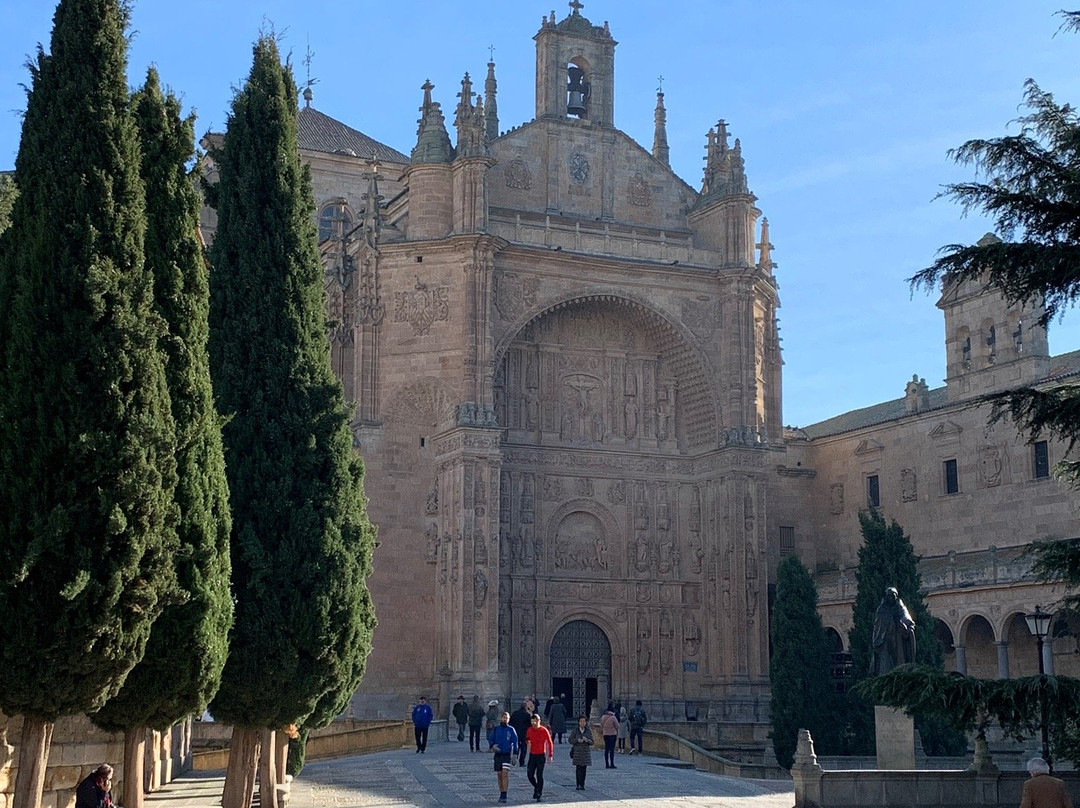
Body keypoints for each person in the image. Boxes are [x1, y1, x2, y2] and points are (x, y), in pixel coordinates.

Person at [871, 586, 916, 675]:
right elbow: (877, 626)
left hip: (898, 640)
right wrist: (877, 641)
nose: (891, 598)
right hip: (885, 640)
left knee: (899, 663)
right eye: (889, 596)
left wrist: (908, 627)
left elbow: (907, 619)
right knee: (885, 665)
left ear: (896, 597)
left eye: (893, 596)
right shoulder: (881, 609)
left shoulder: (900, 608)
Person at [488, 711, 519, 804]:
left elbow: (515, 741)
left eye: (506, 718)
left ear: (509, 720)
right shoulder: (496, 729)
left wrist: (515, 754)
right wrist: (492, 745)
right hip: (498, 755)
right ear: (501, 718)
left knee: (505, 774)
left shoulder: (511, 729)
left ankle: (504, 794)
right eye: (503, 717)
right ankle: (501, 792)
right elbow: (491, 738)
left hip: (506, 754)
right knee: (499, 775)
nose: (504, 719)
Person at [525, 713, 554, 801]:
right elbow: (527, 739)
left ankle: (539, 793)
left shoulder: (544, 730)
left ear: (539, 721)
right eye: (532, 721)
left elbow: (550, 742)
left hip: (541, 755)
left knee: (539, 775)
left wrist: (550, 755)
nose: (534, 723)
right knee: (530, 775)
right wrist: (528, 742)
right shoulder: (529, 730)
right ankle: (536, 787)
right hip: (532, 754)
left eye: (535, 721)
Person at [567, 715, 594, 790]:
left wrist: (587, 740)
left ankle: (582, 784)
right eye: (581, 721)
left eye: (584, 721)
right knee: (578, 768)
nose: (582, 723)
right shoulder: (575, 730)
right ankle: (578, 784)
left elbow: (592, 742)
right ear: (578, 722)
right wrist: (577, 740)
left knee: (584, 769)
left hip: (585, 752)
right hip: (577, 752)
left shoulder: (588, 731)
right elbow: (570, 740)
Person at [510, 700, 533, 766]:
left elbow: (511, 723)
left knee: (516, 746)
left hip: (515, 733)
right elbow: (530, 725)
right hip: (524, 734)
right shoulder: (527, 715)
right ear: (525, 707)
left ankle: (514, 759)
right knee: (523, 748)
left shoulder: (515, 713)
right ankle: (521, 762)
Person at [600, 704, 619, 768]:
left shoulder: (603, 717)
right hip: (612, 735)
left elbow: (601, 725)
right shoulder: (613, 717)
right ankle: (612, 763)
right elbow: (617, 726)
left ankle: (606, 764)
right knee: (612, 750)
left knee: (606, 749)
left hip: (605, 734)